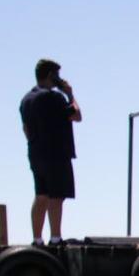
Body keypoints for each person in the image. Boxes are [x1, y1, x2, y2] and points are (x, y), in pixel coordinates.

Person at [19, 58, 81, 245]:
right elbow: (76, 115)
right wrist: (70, 94)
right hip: (56, 152)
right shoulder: (54, 98)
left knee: (41, 195)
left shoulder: (26, 99)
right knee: (56, 196)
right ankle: (55, 237)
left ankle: (37, 239)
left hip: (36, 152)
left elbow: (26, 129)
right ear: (50, 76)